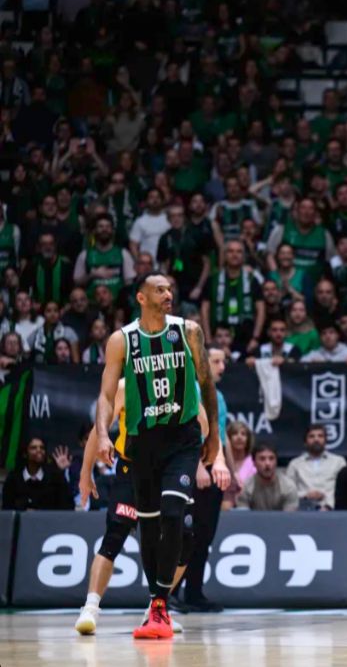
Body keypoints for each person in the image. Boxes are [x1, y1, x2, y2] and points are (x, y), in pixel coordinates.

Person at [93, 271, 230, 639]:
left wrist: (214, 439)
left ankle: (160, 607)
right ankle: (156, 604)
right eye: (160, 289)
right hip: (142, 443)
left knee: (173, 513)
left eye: (170, 288)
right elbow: (106, 396)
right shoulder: (122, 341)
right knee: (149, 528)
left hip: (182, 438)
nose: (168, 293)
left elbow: (207, 385)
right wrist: (104, 435)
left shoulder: (188, 331)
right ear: (141, 297)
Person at [74, 378, 209, 634]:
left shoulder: (182, 380)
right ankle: (90, 608)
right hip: (132, 468)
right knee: (115, 535)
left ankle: (156, 607)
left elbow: (203, 423)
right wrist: (85, 473)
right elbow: (98, 429)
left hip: (168, 469)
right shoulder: (127, 386)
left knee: (184, 540)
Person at [180, 346, 234, 613]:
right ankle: (169, 594)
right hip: (193, 471)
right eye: (216, 361)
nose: (221, 367)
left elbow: (220, 436)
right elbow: (187, 435)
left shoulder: (219, 396)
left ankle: (194, 593)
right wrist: (198, 467)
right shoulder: (190, 392)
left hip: (214, 471)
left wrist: (230, 471)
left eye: (223, 362)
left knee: (205, 535)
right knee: (184, 535)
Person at [2, 437, 73, 511]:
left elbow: (67, 507)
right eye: (33, 448)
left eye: (42, 448)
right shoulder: (13, 479)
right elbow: (7, 510)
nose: (39, 450)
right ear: (25, 453)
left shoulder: (55, 478)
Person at [286, 424, 347, 511]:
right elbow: (288, 492)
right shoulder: (295, 464)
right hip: (302, 512)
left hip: (332, 512)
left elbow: (344, 491)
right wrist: (305, 495)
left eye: (320, 436)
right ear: (305, 441)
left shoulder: (338, 462)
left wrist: (329, 506)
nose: (316, 439)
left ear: (326, 440)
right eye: (311, 436)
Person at [236, 443, 299, 512]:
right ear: (254, 462)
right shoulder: (245, 487)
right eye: (262, 459)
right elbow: (243, 518)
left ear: (276, 461)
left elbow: (290, 519)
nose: (267, 463)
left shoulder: (289, 486)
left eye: (271, 458)